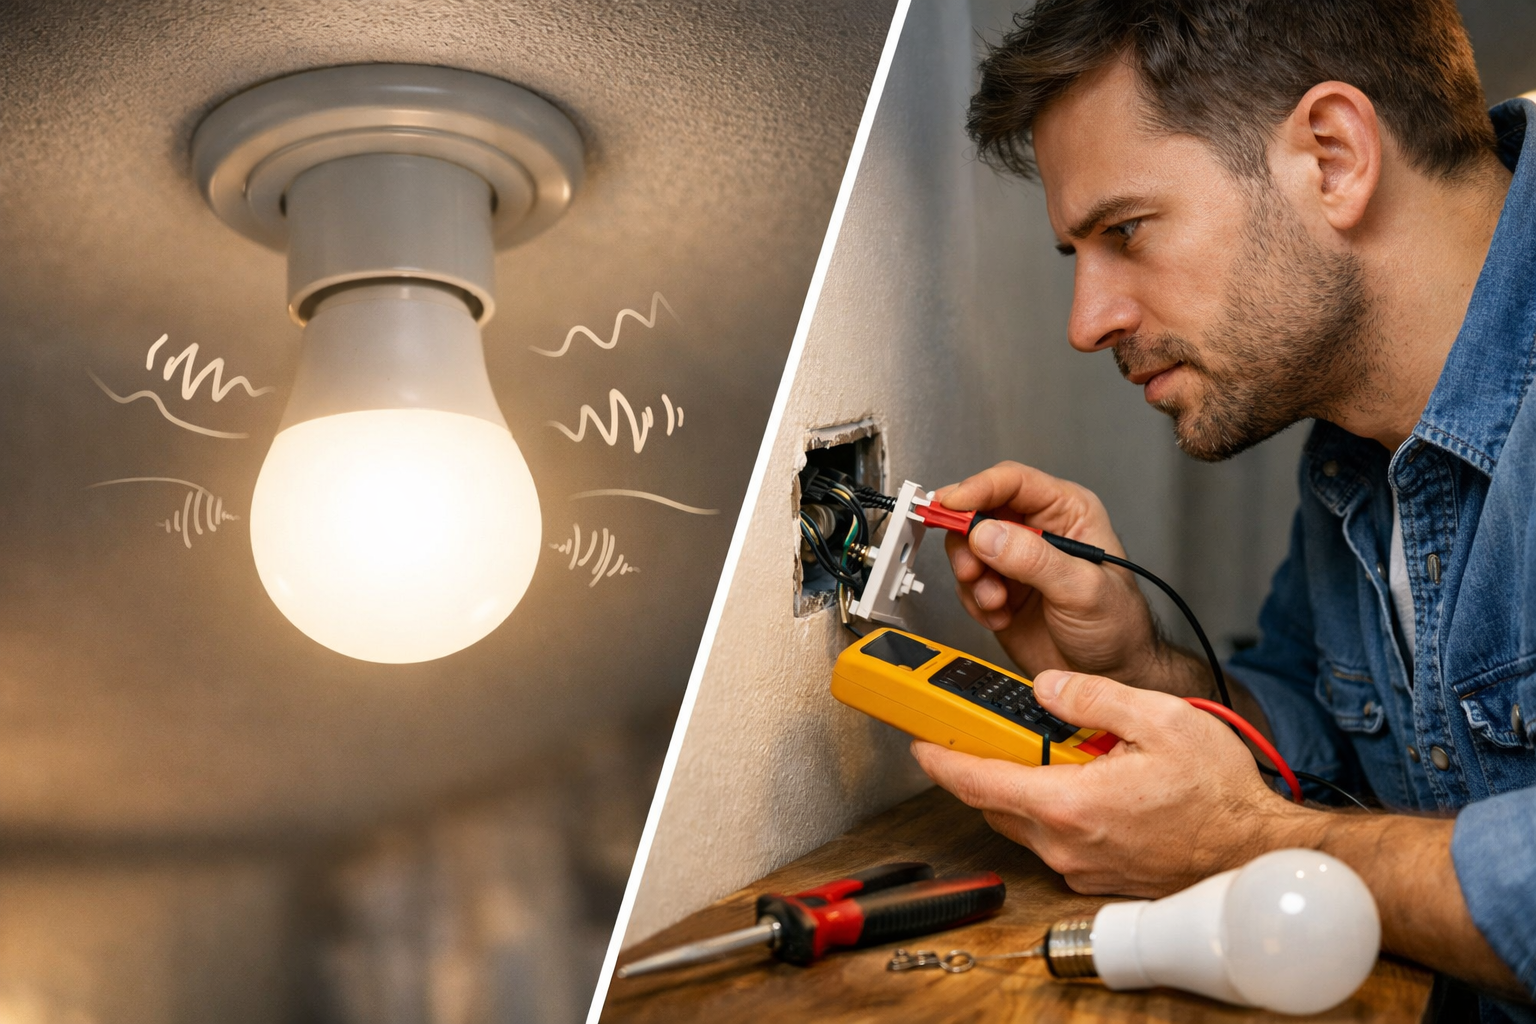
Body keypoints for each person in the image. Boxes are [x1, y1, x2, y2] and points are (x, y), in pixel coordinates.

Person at [910, 1, 1536, 1017]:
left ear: (1332, 157)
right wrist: (1140, 672)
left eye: (1126, 230)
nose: (1088, 322)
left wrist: (1251, 844)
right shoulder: (1354, 439)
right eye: (1082, 255)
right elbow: (1320, 742)